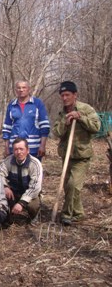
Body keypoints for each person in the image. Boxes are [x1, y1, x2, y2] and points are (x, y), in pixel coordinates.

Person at [52, 81, 101, 226]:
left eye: (67, 95)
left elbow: (97, 127)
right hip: (66, 155)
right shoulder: (62, 113)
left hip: (82, 156)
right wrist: (65, 124)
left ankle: (66, 214)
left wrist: (80, 117)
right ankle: (78, 213)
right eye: (62, 95)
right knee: (68, 186)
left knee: (74, 184)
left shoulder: (86, 109)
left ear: (75, 95)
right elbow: (56, 132)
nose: (64, 98)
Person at [0, 138, 42, 225]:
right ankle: (6, 216)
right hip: (13, 192)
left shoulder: (35, 164)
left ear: (27, 150)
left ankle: (34, 215)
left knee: (33, 205)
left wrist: (22, 203)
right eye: (16, 149)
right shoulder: (8, 161)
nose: (19, 152)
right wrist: (5, 187)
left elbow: (35, 187)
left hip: (29, 193)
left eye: (21, 149)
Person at [2, 80, 50, 160]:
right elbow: (7, 127)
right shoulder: (11, 105)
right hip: (15, 147)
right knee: (15, 171)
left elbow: (44, 126)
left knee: (33, 171)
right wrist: (6, 147)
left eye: (24, 87)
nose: (21, 90)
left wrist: (42, 145)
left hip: (33, 147)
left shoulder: (37, 103)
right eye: (19, 88)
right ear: (15, 90)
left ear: (29, 89)